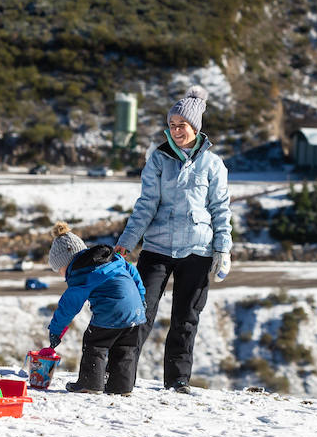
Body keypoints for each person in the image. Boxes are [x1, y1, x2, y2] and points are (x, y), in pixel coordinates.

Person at [114, 86, 232, 393]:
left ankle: (178, 379)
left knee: (186, 317)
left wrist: (223, 249)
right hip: (157, 247)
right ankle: (120, 377)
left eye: (182, 125)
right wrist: (126, 242)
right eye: (172, 125)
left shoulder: (213, 165)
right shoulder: (158, 159)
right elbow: (146, 204)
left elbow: (221, 209)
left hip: (198, 248)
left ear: (195, 127)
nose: (176, 130)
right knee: (138, 312)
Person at [45, 221, 148, 395]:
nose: (62, 275)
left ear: (67, 261)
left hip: (111, 311)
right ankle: (121, 387)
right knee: (126, 348)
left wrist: (56, 330)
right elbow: (133, 272)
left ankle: (90, 383)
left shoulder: (81, 273)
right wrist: (142, 297)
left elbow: (68, 306)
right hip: (136, 312)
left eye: (60, 270)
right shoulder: (111, 258)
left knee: (95, 343)